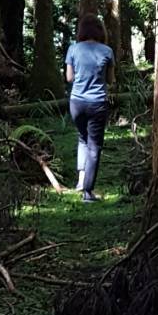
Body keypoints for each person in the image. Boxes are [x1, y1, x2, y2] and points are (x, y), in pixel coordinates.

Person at [65, 16, 114, 202]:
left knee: (82, 139)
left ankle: (80, 181)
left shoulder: (73, 49)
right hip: (97, 103)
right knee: (94, 146)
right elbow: (110, 80)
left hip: (76, 103)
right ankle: (87, 192)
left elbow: (69, 78)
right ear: (100, 31)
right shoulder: (107, 51)